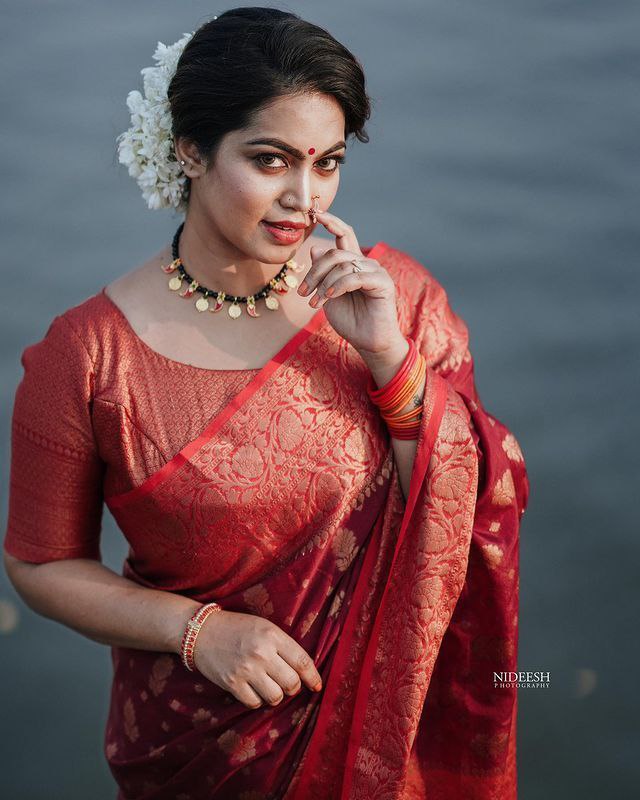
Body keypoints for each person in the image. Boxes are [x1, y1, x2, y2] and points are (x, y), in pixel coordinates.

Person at [3, 7, 530, 799]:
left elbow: (477, 499)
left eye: (328, 163)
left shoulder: (401, 301)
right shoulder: (88, 355)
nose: (305, 198)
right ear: (189, 150)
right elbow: (39, 565)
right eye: (271, 160)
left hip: (390, 735)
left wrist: (388, 358)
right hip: (210, 745)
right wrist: (196, 633)